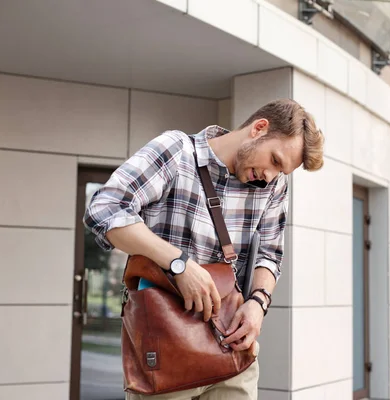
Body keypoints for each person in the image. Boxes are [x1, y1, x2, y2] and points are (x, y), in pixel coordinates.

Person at [83, 98, 325, 399]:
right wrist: (178, 263)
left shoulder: (273, 185)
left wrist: (258, 304)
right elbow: (104, 209)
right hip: (165, 348)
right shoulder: (176, 152)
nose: (271, 176)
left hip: (233, 349)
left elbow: (271, 254)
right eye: (274, 161)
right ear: (258, 128)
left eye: (282, 171)